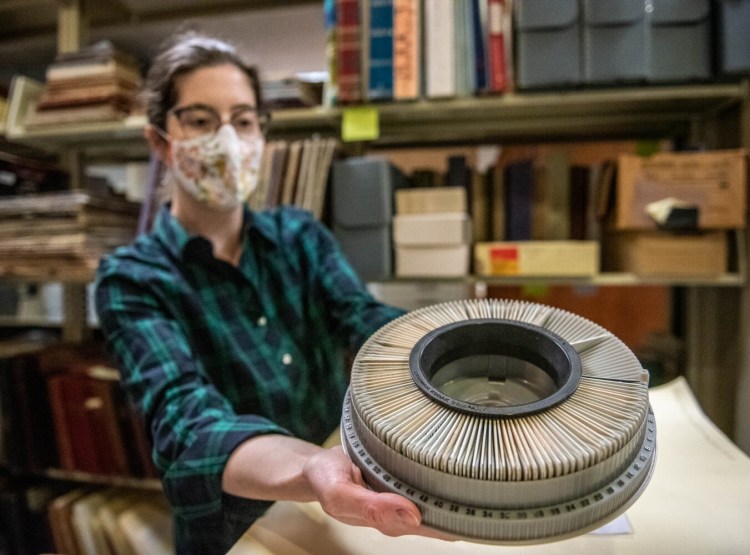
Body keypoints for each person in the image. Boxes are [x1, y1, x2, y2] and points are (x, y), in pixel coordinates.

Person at [95, 30, 433, 554]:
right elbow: (186, 421)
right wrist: (312, 469)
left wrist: (449, 346)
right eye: (202, 120)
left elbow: (363, 318)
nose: (228, 139)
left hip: (342, 498)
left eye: (244, 120)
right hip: (233, 527)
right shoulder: (132, 280)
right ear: (161, 141)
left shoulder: (299, 236)